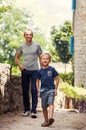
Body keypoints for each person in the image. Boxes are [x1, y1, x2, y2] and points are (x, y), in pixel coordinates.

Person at [15, 29, 42, 118]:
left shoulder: (37, 46)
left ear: (32, 36)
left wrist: (43, 70)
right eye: (27, 34)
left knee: (34, 90)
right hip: (25, 70)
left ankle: (33, 111)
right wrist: (20, 66)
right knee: (25, 90)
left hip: (35, 70)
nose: (28, 36)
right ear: (24, 36)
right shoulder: (21, 46)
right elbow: (17, 57)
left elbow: (41, 57)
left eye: (30, 34)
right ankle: (27, 110)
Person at [36, 53, 59, 127]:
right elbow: (37, 81)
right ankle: (46, 121)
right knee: (44, 107)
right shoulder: (39, 71)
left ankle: (50, 118)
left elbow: (57, 78)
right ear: (41, 60)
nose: (45, 60)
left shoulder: (52, 69)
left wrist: (55, 89)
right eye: (43, 59)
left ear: (49, 60)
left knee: (51, 103)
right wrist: (38, 91)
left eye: (47, 59)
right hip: (43, 90)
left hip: (51, 89)